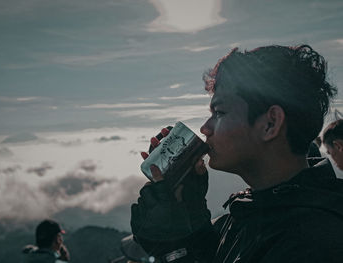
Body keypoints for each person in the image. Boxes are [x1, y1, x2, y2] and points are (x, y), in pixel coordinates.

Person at [130, 45, 343, 263]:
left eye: (219, 113)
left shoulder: (311, 242)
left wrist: (171, 248)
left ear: (270, 123)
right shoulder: (255, 213)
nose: (205, 128)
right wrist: (191, 213)